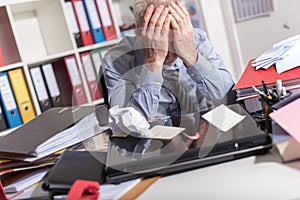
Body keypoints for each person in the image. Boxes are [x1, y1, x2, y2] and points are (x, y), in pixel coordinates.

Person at [103, 0, 234, 121]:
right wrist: (153, 63)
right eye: (160, 42)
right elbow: (128, 123)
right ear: (138, 32)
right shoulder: (116, 60)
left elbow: (227, 96)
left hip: (206, 131)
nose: (169, 53)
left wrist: (192, 56)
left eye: (174, 42)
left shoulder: (197, 39)